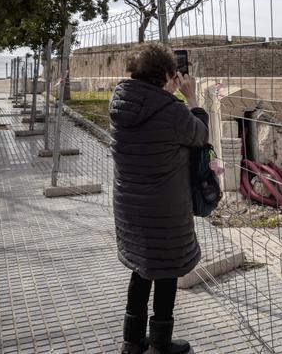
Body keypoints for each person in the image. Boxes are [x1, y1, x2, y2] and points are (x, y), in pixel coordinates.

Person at [110, 43, 208, 354]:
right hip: (164, 209)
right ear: (167, 74)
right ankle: (161, 345)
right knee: (166, 271)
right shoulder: (173, 111)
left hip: (129, 206)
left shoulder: (120, 103)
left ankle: (132, 342)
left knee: (141, 269)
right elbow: (200, 135)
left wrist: (168, 94)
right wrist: (191, 99)